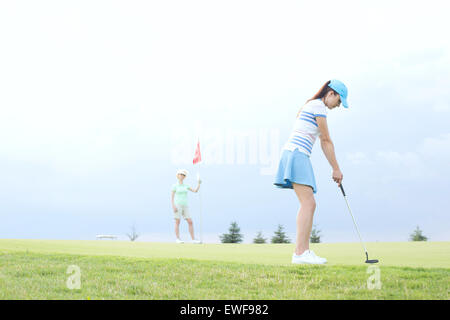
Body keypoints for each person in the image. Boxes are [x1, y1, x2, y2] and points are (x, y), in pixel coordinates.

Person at [274, 79, 348, 264]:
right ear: (331, 94)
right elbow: (326, 140)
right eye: (339, 101)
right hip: (297, 154)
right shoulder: (318, 106)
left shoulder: (311, 104)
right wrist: (336, 169)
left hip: (295, 154)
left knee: (309, 203)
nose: (338, 106)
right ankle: (300, 253)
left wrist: (335, 168)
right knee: (308, 203)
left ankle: (302, 252)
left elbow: (323, 141)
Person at [171, 169, 202, 243]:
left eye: (183, 175)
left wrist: (199, 184)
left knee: (190, 221)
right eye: (180, 174)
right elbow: (172, 197)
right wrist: (173, 206)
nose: (181, 176)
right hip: (177, 204)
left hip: (185, 205)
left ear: (184, 177)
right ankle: (178, 239)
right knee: (177, 221)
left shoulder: (186, 185)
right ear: (177, 176)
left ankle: (193, 239)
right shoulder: (174, 186)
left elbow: (195, 191)